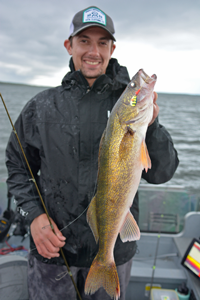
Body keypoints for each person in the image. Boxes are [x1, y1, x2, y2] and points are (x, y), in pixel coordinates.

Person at [5, 6, 179, 300]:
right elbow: (17, 166)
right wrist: (34, 216)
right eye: (84, 40)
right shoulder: (40, 106)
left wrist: (152, 125)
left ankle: (105, 260)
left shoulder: (131, 106)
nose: (93, 51)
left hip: (115, 253)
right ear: (68, 45)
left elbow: (162, 174)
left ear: (113, 48)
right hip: (53, 252)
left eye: (102, 42)